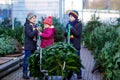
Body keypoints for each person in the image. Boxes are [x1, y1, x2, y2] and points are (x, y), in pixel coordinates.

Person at [64, 10, 82, 80]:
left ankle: (79, 75)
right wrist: (66, 31)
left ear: (75, 17)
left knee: (76, 60)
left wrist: (71, 28)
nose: (70, 18)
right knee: (69, 60)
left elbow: (78, 34)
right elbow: (65, 35)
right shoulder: (68, 24)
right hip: (69, 45)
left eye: (71, 16)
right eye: (70, 16)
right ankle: (69, 75)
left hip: (76, 46)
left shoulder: (79, 24)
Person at [23, 13, 39, 79]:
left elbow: (35, 35)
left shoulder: (34, 25)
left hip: (33, 45)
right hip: (28, 46)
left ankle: (32, 72)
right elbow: (30, 35)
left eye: (35, 18)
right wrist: (36, 30)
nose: (34, 19)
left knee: (32, 60)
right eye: (33, 18)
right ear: (29, 19)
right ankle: (25, 73)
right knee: (26, 60)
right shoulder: (27, 26)